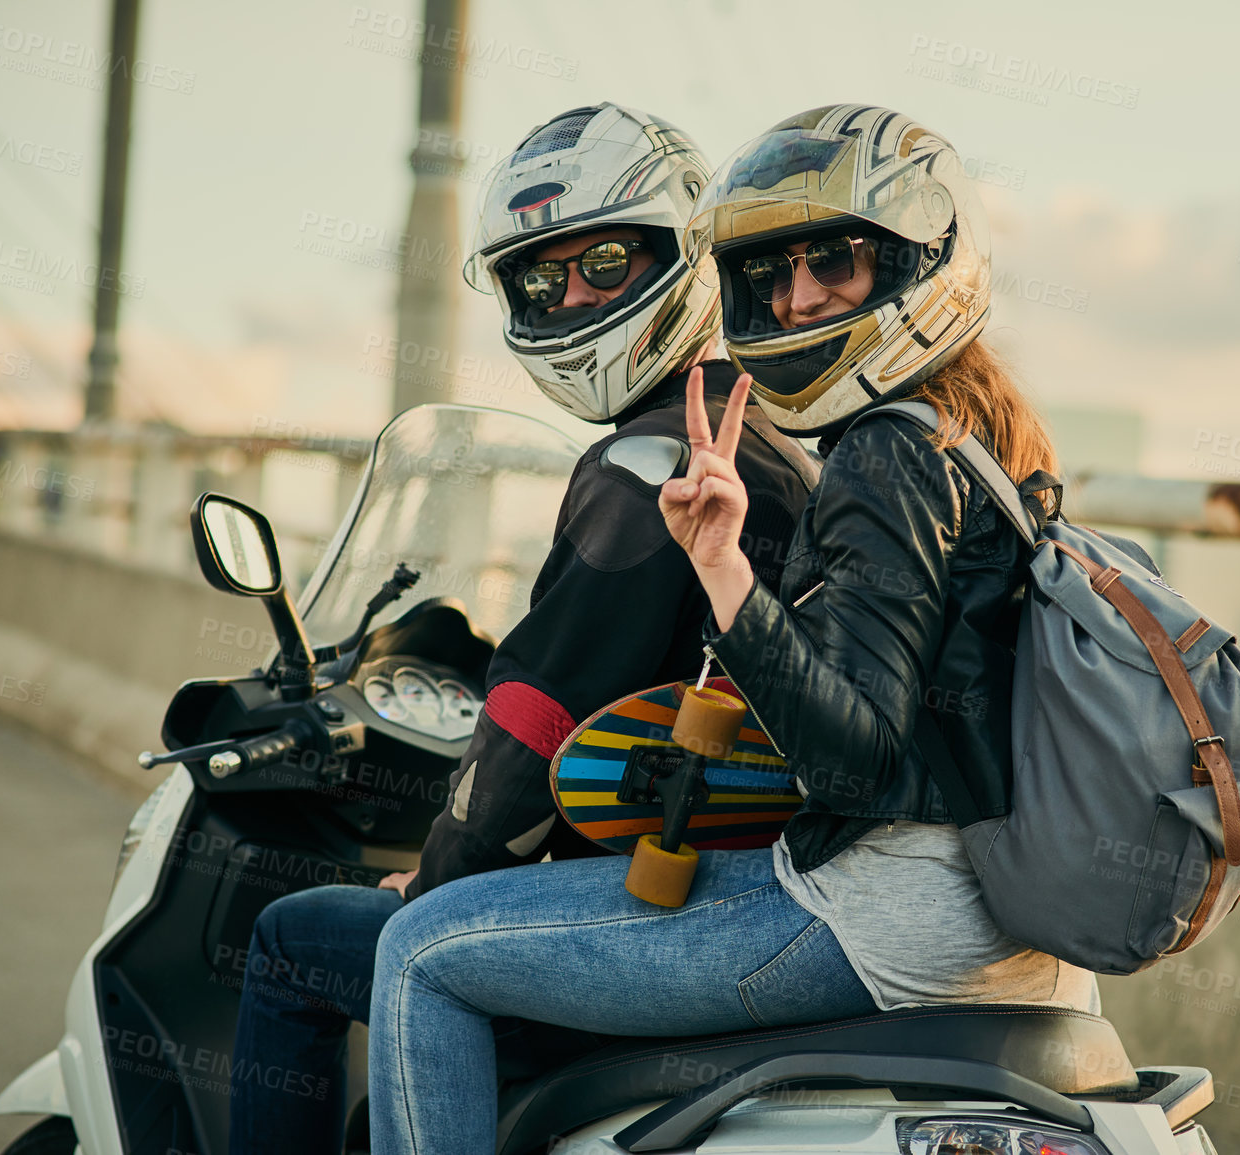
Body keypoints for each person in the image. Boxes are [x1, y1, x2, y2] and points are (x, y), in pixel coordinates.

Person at [365, 105, 1095, 1155]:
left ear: (916, 261)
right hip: (1000, 926)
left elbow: (856, 757)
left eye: (834, 263)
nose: (797, 298)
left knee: (422, 951)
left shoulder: (890, 456)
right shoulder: (981, 437)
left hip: (884, 918)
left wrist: (723, 577)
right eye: (774, 272)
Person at [227, 103, 818, 1155]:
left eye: (604, 260)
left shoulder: (649, 463)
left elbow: (536, 715)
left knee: (290, 942)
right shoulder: (763, 436)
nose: (575, 296)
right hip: (759, 886)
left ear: (684, 253)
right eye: (541, 281)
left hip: (671, 906)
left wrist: (442, 881)